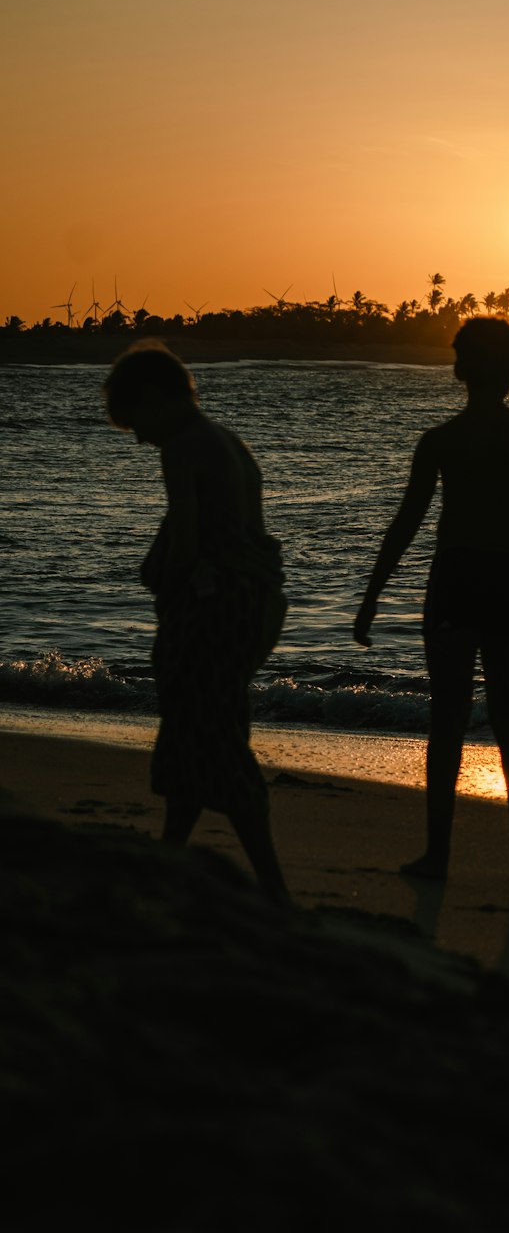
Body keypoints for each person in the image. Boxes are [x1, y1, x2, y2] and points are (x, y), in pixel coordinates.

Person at [353, 317, 509, 882]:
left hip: (455, 579)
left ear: (459, 370)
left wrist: (372, 595)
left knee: (448, 717)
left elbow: (407, 522)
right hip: (508, 580)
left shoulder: (442, 441)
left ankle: (439, 856)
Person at [103, 341, 289, 903]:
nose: (138, 437)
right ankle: (170, 856)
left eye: (136, 420)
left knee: (212, 729)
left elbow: (184, 545)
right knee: (196, 727)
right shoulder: (228, 442)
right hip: (250, 607)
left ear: (157, 398)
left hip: (215, 610)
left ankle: (272, 886)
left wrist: (162, 577)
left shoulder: (183, 447)